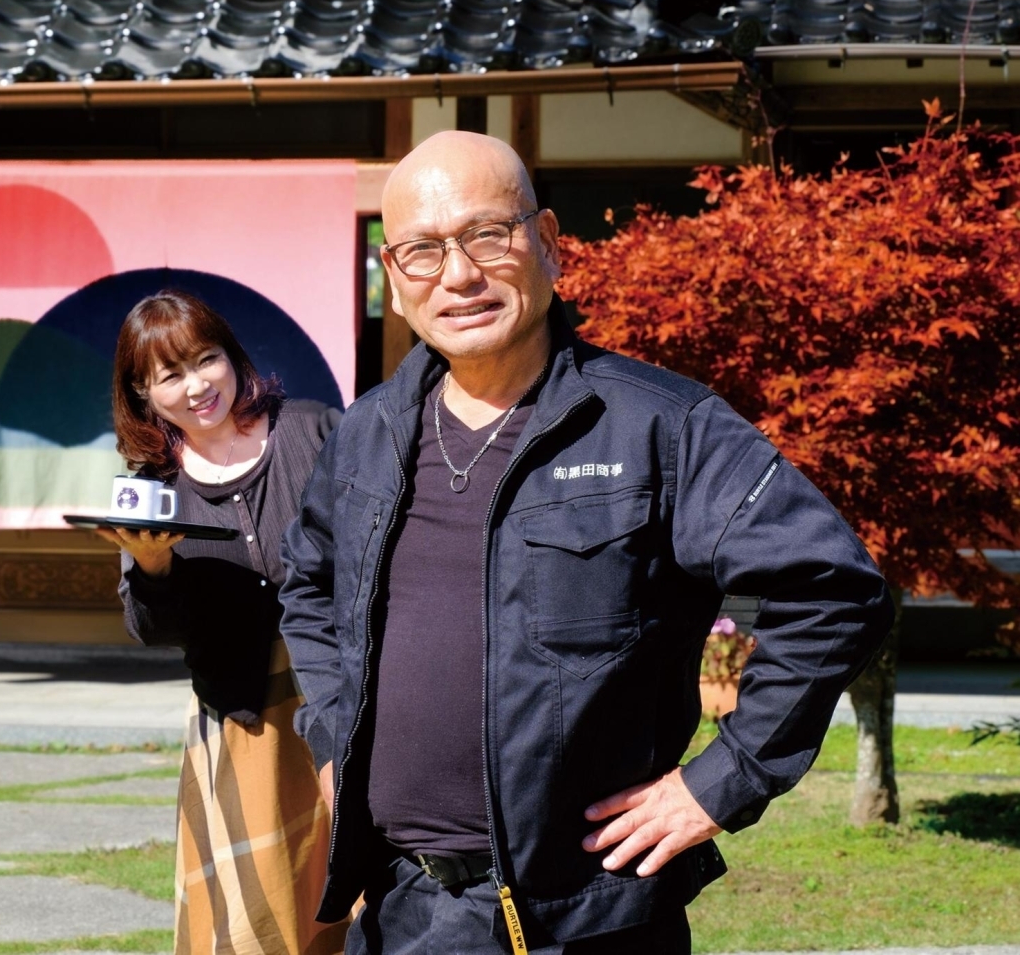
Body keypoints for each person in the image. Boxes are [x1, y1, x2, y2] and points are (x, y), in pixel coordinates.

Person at [278, 132, 894, 954]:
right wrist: (331, 741)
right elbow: (308, 588)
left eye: (486, 236)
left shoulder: (658, 426)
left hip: (583, 920)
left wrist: (722, 781)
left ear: (548, 243)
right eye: (422, 251)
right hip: (399, 910)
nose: (457, 275)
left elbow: (831, 588)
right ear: (393, 276)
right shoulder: (366, 435)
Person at [99, 289, 350, 955]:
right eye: (169, 375)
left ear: (231, 357)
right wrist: (152, 566)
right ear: (143, 394)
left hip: (348, 700)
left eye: (205, 360)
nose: (196, 386)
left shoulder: (314, 429)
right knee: (257, 917)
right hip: (242, 722)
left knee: (369, 896)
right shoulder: (152, 488)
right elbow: (151, 630)